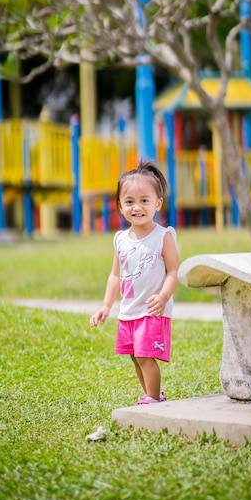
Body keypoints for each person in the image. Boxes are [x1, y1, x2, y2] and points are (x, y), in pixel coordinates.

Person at [90, 160, 179, 405]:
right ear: (120, 206)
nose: (136, 207)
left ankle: (152, 398)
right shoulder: (120, 239)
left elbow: (174, 271)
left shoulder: (163, 236)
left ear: (157, 203)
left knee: (144, 355)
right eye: (129, 201)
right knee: (134, 356)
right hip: (129, 311)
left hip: (151, 309)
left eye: (144, 201)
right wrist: (107, 306)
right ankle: (152, 395)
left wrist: (163, 297)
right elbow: (115, 275)